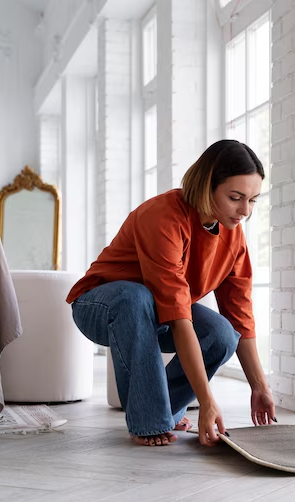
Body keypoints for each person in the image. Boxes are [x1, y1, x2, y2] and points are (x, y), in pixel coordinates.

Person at [66, 139, 276, 447]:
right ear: (208, 186)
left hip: (157, 312)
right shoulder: (163, 216)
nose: (244, 210)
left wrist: (260, 386)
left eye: (253, 200)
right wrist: (207, 400)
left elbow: (240, 318)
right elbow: (178, 315)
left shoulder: (234, 237)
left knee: (222, 333)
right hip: (101, 306)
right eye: (235, 198)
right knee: (136, 297)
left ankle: (163, 410)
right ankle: (149, 420)